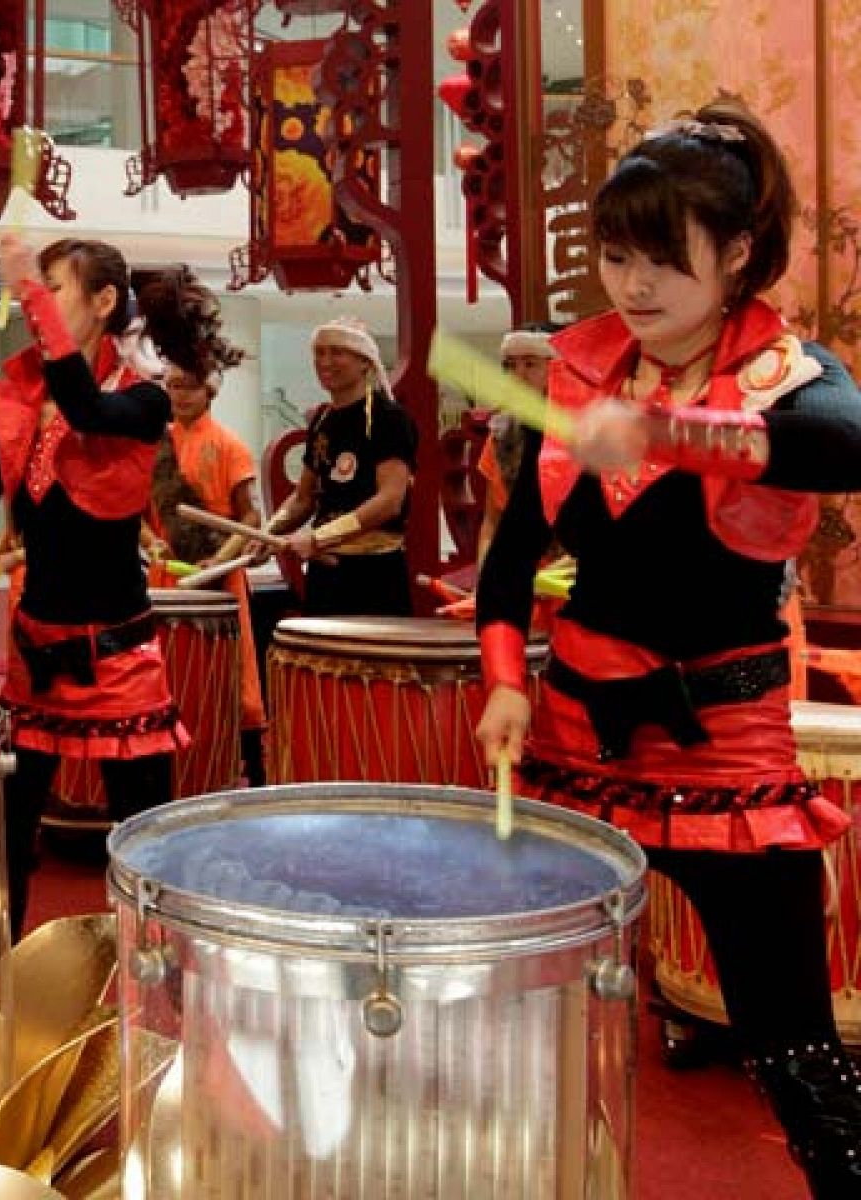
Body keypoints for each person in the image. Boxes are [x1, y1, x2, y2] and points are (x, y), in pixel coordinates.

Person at [474, 103, 861, 1197]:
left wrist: (665, 432)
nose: (631, 287)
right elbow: (512, 562)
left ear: (736, 254)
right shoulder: (580, 368)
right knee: (523, 1004)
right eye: (613, 257)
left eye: (662, 260)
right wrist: (504, 676)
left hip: (722, 750)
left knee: (788, 1038)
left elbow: (846, 445)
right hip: (569, 735)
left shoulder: (786, 373)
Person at [0, 234, 243, 937]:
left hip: (119, 660)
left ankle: (158, 987)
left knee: (143, 854)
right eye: (33, 292)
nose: (33, 302)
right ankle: (3, 981)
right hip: (35, 657)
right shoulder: (12, 402)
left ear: (104, 302)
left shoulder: (141, 402)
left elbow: (84, 408)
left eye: (55, 290)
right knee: (7, 845)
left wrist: (29, 297)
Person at [147, 365, 269, 786]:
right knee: (165, 677)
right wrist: (151, 544)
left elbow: (250, 514)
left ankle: (247, 772)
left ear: (210, 392)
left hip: (218, 576)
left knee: (234, 682)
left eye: (190, 387)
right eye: (174, 386)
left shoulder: (228, 445)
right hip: (167, 578)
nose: (180, 396)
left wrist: (219, 560)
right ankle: (170, 767)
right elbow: (136, 515)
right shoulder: (155, 445)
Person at [262, 317, 419, 616]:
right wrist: (267, 534)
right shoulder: (323, 420)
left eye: (337, 352)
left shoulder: (389, 418)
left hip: (373, 572)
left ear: (365, 362)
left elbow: (389, 502)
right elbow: (303, 498)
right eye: (319, 353)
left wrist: (319, 537)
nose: (325, 362)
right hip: (326, 571)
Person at [475, 325, 557, 561]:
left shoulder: (586, 430)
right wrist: (486, 575)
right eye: (510, 365)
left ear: (557, 368)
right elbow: (492, 523)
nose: (518, 375)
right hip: (520, 574)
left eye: (530, 364)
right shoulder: (503, 435)